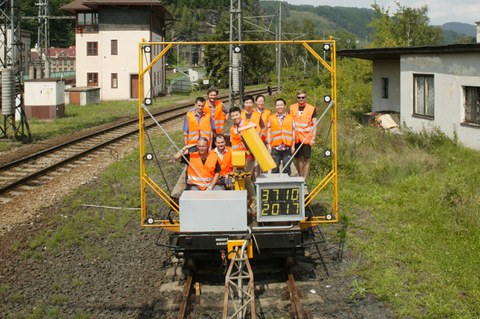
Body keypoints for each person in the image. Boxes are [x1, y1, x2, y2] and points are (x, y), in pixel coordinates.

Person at [229, 106, 257, 201]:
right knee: (238, 179)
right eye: (232, 116)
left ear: (240, 114)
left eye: (236, 114)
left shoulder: (247, 123)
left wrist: (245, 126)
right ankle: (240, 199)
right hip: (238, 159)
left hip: (249, 156)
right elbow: (237, 132)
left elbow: (254, 125)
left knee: (247, 178)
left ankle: (253, 199)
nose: (235, 117)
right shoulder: (232, 129)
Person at [289, 90, 317, 181]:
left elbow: (315, 124)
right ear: (297, 98)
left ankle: (304, 178)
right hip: (296, 138)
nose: (301, 99)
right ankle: (300, 177)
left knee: (307, 158)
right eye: (299, 97)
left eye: (303, 97)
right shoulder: (292, 107)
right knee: (298, 158)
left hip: (307, 138)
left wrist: (313, 138)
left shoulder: (311, 108)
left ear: (306, 97)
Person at [267, 98, 295, 175]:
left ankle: (286, 186)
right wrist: (269, 145)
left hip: (287, 146)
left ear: (285, 106)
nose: (279, 107)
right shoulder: (271, 118)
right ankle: (275, 185)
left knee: (287, 167)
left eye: (281, 105)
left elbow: (293, 131)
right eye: (278, 105)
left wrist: (293, 146)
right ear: (275, 107)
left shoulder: (290, 118)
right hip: (276, 147)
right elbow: (269, 131)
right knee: (275, 168)